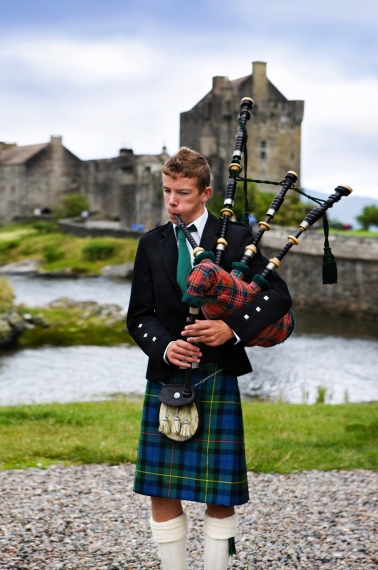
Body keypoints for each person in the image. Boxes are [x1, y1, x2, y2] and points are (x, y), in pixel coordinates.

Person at [127, 147, 292, 570]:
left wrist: (232, 329)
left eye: (181, 193)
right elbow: (139, 315)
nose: (172, 202)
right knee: (162, 488)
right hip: (169, 373)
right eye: (166, 191)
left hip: (217, 370)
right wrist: (165, 345)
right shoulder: (151, 243)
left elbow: (278, 298)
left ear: (206, 193)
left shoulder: (238, 237)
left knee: (219, 491)